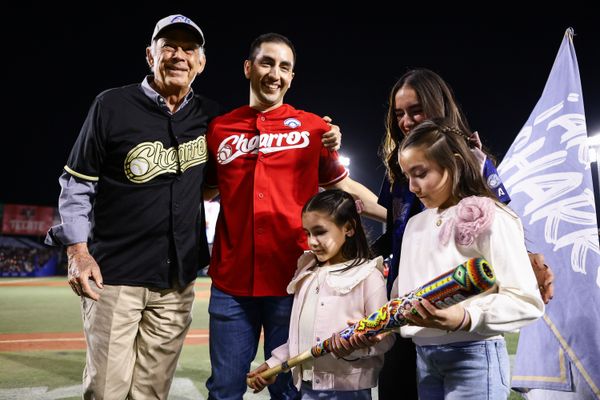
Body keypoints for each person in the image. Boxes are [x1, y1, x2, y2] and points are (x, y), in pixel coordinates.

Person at [44, 14, 219, 399]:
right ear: (149, 54)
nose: (179, 56)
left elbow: (217, 180)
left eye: (189, 49)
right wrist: (77, 251)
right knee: (107, 390)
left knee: (151, 393)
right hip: (115, 276)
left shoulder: (210, 117)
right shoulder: (112, 105)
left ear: (201, 63)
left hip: (177, 283)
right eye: (168, 46)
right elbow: (77, 183)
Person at [204, 33, 386, 400]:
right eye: (267, 63)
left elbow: (344, 186)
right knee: (224, 388)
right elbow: (204, 191)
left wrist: (397, 218)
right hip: (231, 282)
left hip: (293, 281)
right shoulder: (219, 129)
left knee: (289, 390)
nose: (275, 73)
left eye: (284, 67)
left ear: (291, 77)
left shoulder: (313, 128)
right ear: (248, 68)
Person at [372, 68, 555, 399]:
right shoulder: (406, 187)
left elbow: (500, 236)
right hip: (419, 334)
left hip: (470, 341)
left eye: (415, 110)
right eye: (399, 113)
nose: (406, 120)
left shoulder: (478, 182)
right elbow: (392, 231)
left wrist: (526, 259)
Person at [396, 119, 545, 398]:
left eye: (420, 173)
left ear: (453, 163)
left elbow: (525, 300)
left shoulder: (493, 216)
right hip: (424, 357)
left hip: (475, 356)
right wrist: (382, 323)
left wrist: (466, 317)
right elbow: (404, 295)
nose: (413, 187)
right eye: (407, 177)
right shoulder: (414, 224)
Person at [247, 189, 395, 399]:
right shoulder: (306, 274)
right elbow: (299, 339)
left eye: (320, 232)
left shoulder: (368, 275)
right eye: (307, 233)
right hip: (307, 390)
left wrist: (360, 344)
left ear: (349, 228)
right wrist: (273, 365)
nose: (312, 242)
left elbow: (386, 338)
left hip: (349, 391)